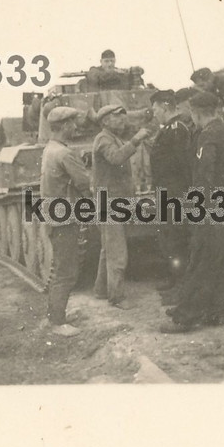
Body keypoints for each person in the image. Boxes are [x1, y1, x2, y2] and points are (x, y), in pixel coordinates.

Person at [161, 92, 224, 333]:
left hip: (211, 206)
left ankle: (187, 316)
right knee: (222, 259)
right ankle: (215, 311)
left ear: (197, 112)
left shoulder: (208, 136)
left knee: (201, 260)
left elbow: (205, 174)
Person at [39, 106, 92, 337]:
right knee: (66, 271)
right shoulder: (65, 153)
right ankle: (57, 322)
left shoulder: (51, 149)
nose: (76, 126)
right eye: (72, 123)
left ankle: (55, 316)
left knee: (60, 268)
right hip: (64, 218)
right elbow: (84, 183)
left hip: (54, 215)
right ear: (65, 126)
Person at [91, 104, 151, 309]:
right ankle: (116, 297)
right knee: (117, 251)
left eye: (123, 116)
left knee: (108, 248)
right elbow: (116, 158)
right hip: (110, 202)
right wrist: (136, 140)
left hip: (114, 200)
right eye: (117, 117)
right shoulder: (103, 139)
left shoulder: (111, 137)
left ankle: (101, 290)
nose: (122, 120)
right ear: (105, 121)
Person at [148, 89, 193, 296]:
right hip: (166, 192)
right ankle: (175, 278)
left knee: (177, 239)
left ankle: (181, 283)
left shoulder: (177, 129)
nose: (154, 112)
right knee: (168, 237)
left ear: (165, 106)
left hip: (175, 193)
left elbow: (183, 164)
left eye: (155, 108)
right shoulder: (168, 128)